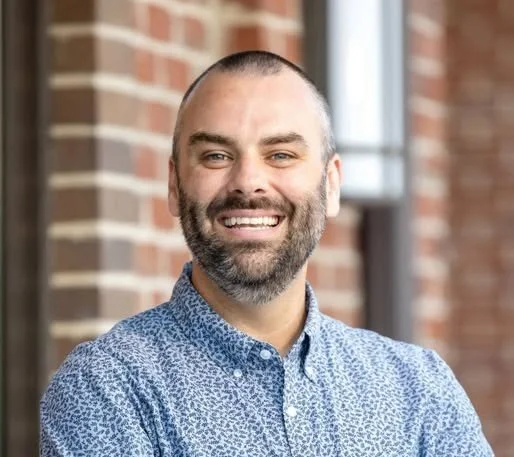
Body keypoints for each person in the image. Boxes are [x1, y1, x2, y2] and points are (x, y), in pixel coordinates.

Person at [40, 50, 494, 457]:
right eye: (217, 156)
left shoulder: (418, 389)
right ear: (175, 186)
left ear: (331, 183)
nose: (248, 182)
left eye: (280, 154)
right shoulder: (107, 389)